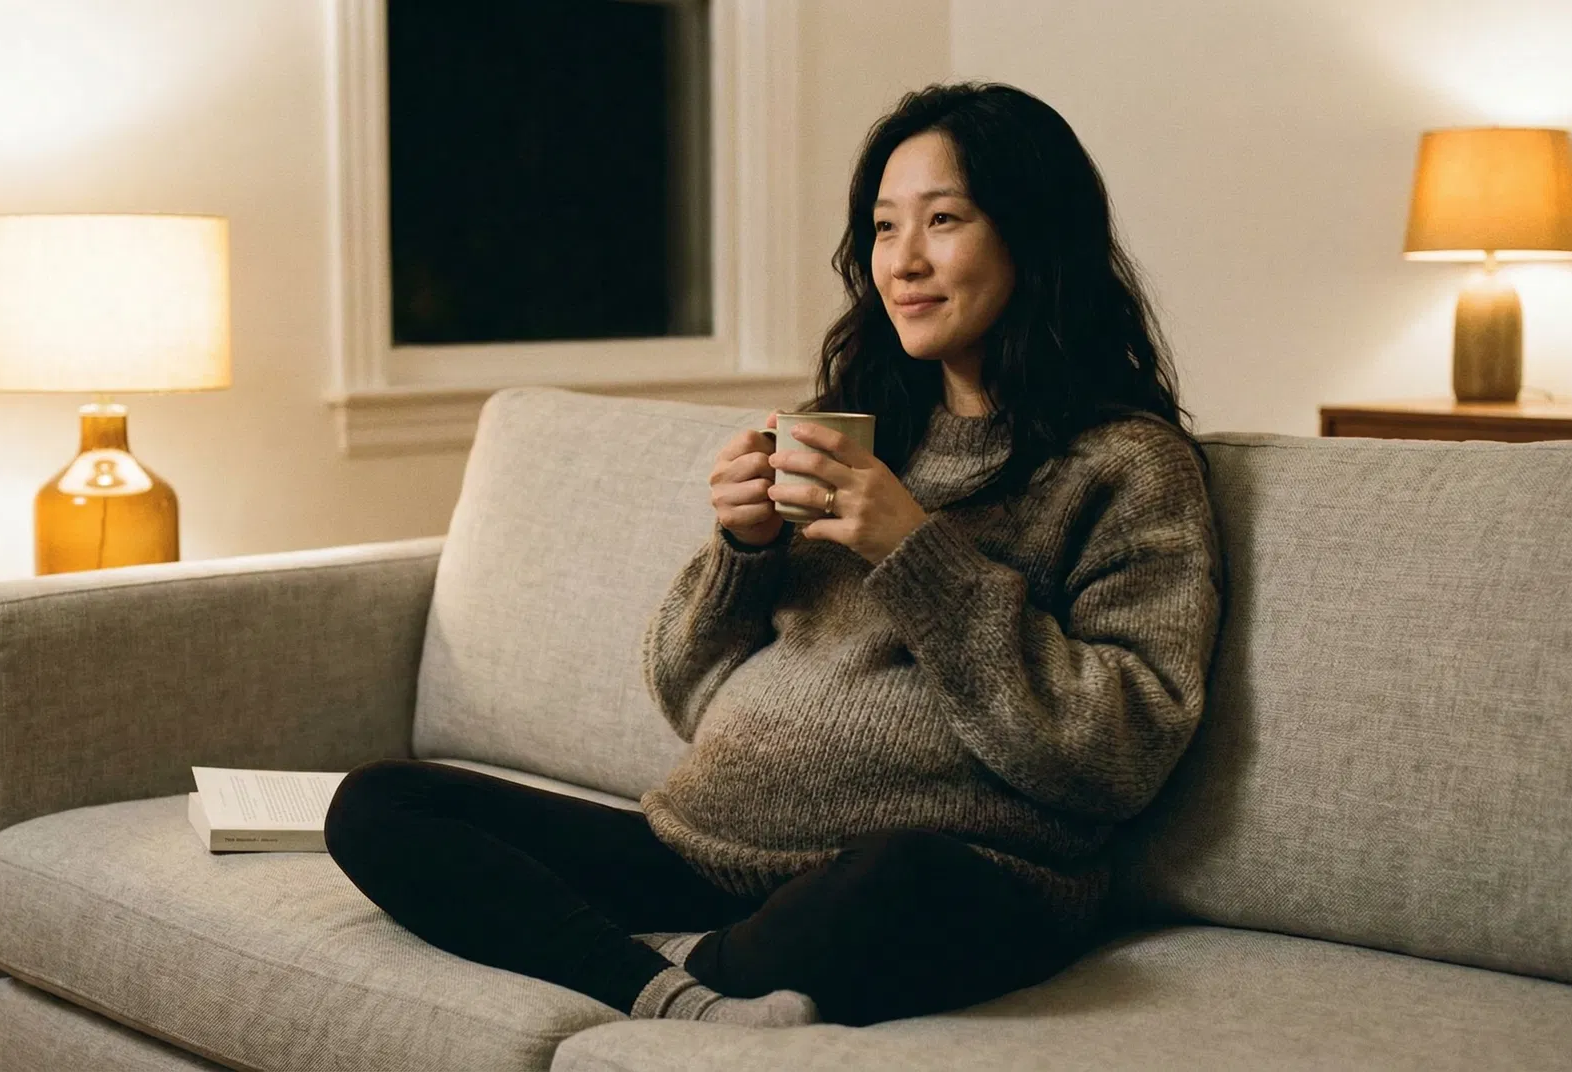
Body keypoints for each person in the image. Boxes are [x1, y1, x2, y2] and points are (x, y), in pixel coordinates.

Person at [324, 81, 1223, 1029]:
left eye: (943, 220)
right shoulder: (865, 432)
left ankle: (623, 961)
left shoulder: (1125, 467)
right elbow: (682, 688)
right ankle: (680, 985)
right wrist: (742, 550)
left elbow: (1117, 756)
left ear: (1034, 237)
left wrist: (916, 552)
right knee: (382, 804)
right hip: (705, 853)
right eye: (882, 228)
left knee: (901, 882)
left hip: (950, 874)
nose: (902, 262)